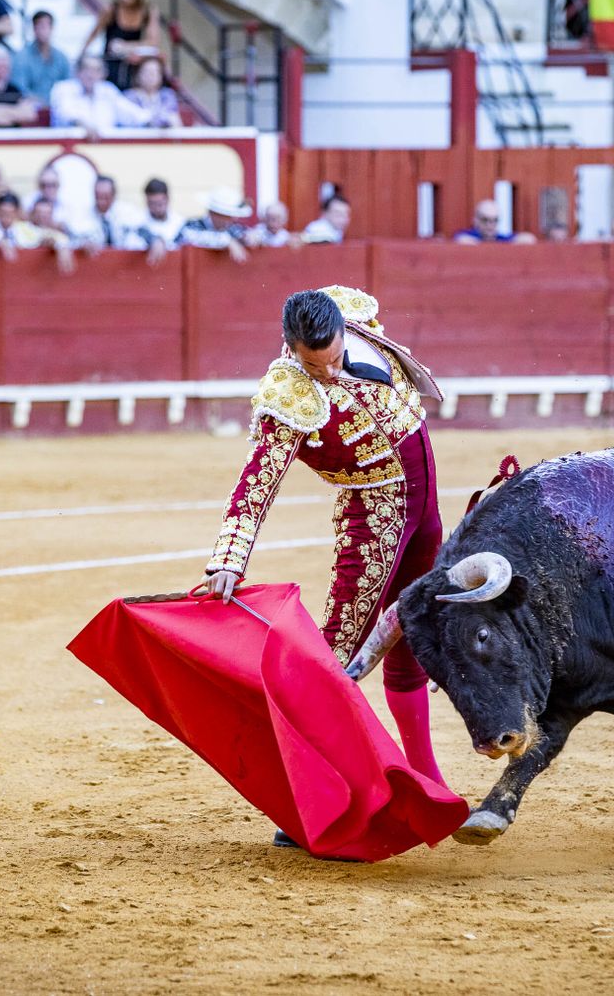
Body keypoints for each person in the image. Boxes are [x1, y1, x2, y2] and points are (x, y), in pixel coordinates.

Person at [196, 287, 450, 843]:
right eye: (316, 365)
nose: (330, 372)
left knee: (411, 634)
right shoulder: (287, 394)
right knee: (339, 655)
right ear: (291, 349)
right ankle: (305, 801)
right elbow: (256, 481)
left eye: (334, 357)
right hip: (373, 518)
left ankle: (426, 776)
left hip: (423, 510)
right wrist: (230, 557)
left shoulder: (354, 316)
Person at [79, 0, 161, 90]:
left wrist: (126, 46)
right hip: (111, 61)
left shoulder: (147, 10)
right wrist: (82, 53)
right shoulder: (111, 9)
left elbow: (153, 41)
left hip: (132, 61)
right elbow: (94, 32)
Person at [0, 190, 74, 272]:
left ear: (16, 213)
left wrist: (61, 246)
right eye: (2, 213)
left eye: (10, 214)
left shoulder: (23, 229)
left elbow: (49, 235)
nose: (6, 218)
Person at [50, 53, 145, 137]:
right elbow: (64, 114)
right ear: (77, 72)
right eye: (86, 69)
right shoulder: (63, 88)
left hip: (105, 148)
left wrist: (149, 120)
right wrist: (83, 125)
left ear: (103, 74)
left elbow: (130, 113)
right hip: (70, 148)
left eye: (96, 70)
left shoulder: (108, 90)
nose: (90, 75)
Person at [176, 187, 250, 263]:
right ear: (213, 213)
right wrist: (228, 241)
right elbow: (193, 237)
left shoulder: (232, 228)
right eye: (225, 215)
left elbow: (249, 235)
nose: (231, 219)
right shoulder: (192, 225)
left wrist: (252, 237)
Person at [9, 8, 67, 104]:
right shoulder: (21, 57)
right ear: (34, 29)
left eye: (46, 26)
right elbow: (19, 89)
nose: (43, 30)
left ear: (52, 28)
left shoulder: (61, 58)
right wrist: (43, 103)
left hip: (58, 107)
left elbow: (68, 85)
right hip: (30, 108)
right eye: (39, 26)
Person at [69, 174, 138, 252]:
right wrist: (83, 243)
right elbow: (71, 238)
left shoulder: (128, 212)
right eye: (98, 196)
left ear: (114, 195)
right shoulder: (82, 214)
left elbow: (141, 233)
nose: (101, 201)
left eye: (106, 197)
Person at [128, 176, 184, 264]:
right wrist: (153, 240)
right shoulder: (136, 221)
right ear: (146, 201)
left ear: (168, 199)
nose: (157, 208)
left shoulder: (179, 222)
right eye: (152, 203)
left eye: (160, 204)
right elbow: (131, 246)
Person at [123, 56, 179, 129]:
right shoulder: (129, 96)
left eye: (155, 72)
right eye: (147, 72)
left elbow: (174, 120)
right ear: (138, 75)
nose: (151, 76)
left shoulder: (167, 95)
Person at [454, 199, 520, 243]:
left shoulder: (501, 238)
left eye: (495, 220)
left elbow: (527, 239)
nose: (490, 225)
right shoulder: (467, 235)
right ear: (476, 220)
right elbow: (461, 239)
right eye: (485, 220)